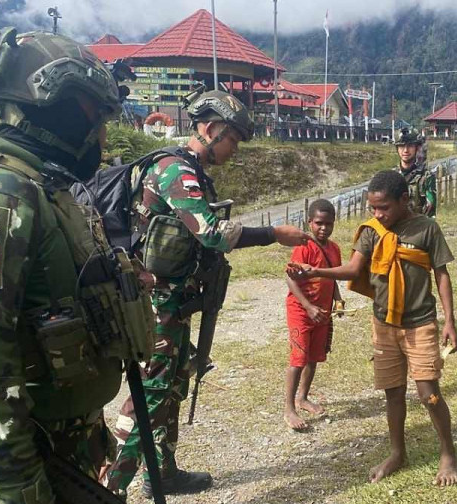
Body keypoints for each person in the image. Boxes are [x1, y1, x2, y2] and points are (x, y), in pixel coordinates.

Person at [0, 27, 155, 503]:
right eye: (92, 114)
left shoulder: (40, 190)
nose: (100, 134)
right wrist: (23, 490)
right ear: (46, 103)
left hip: (60, 449)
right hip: (24, 465)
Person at [104, 87, 310, 498]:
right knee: (151, 395)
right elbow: (213, 234)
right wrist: (273, 234)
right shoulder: (175, 170)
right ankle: (109, 490)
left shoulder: (192, 171)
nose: (234, 148)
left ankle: (162, 473)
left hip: (174, 301)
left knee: (173, 387)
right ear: (212, 129)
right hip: (157, 304)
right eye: (232, 139)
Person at [287, 170, 457, 486]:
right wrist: (315, 271)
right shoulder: (371, 231)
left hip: (420, 322)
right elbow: (353, 268)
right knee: (392, 393)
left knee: (428, 394)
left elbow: (441, 273)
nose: (378, 214)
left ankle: (448, 453)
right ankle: (397, 452)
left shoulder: (427, 229)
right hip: (384, 323)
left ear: (404, 200)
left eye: (384, 208)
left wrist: (449, 320)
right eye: (373, 208)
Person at [283, 198, 342, 431]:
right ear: (310, 222)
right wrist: (308, 306)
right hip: (301, 310)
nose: (323, 228)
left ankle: (303, 397)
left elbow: (332, 275)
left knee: (314, 357)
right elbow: (290, 278)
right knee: (298, 358)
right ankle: (289, 408)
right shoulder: (303, 247)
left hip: (323, 312)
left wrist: (337, 298)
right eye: (319, 223)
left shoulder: (334, 249)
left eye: (328, 223)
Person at [395, 128, 437, 217]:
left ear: (416, 148)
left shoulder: (426, 177)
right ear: (397, 149)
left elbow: (430, 210)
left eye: (410, 146)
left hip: (419, 227)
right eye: (402, 146)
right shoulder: (392, 176)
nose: (405, 150)